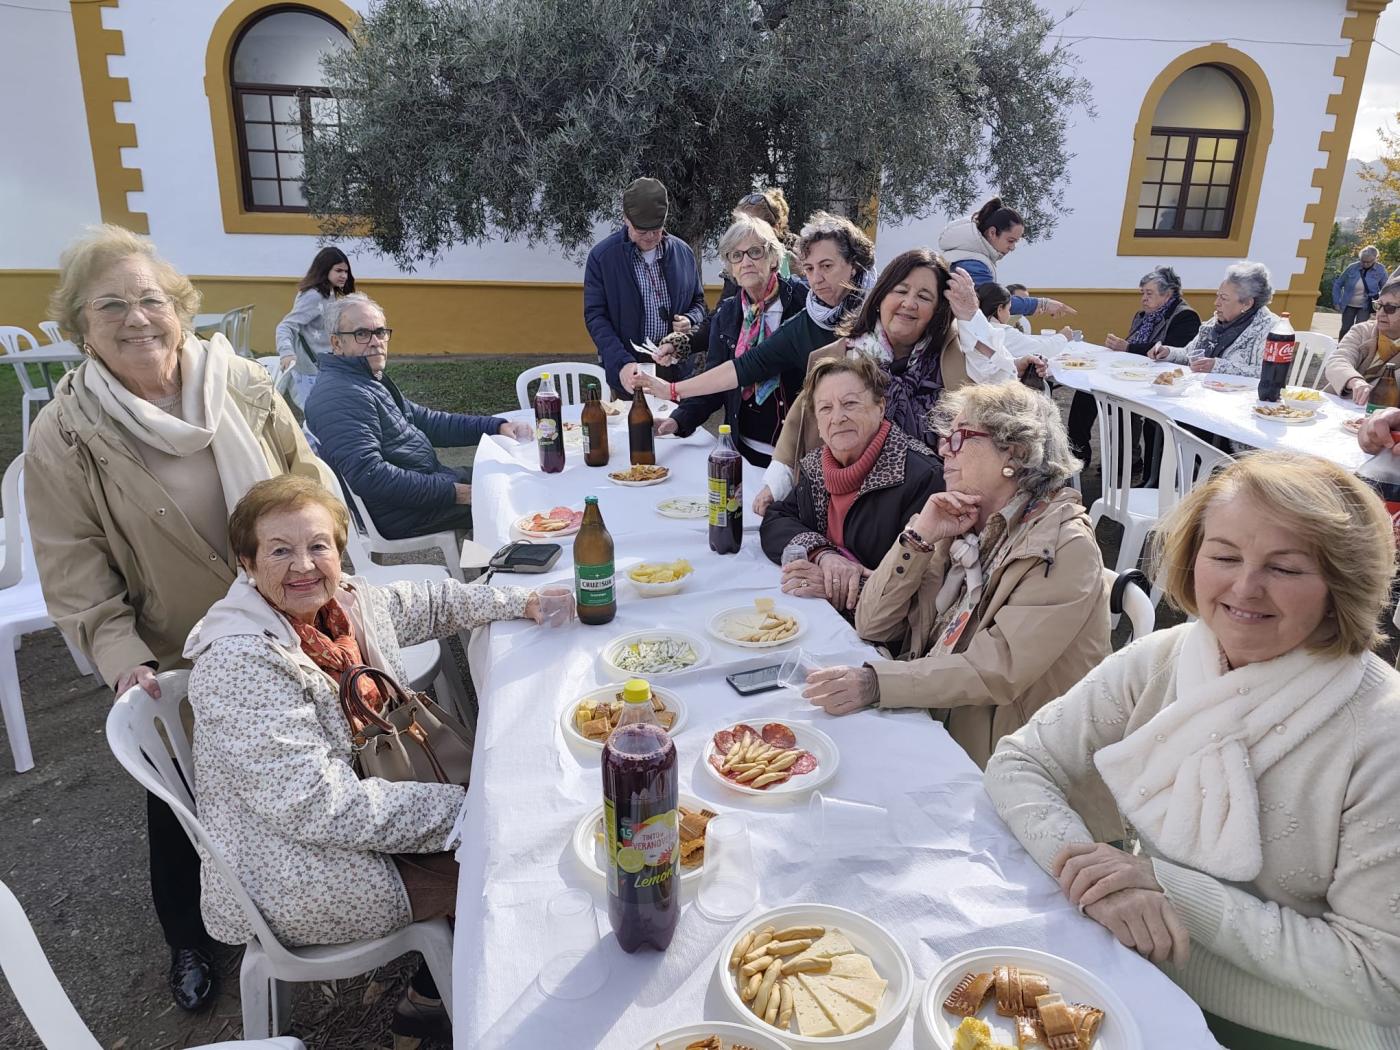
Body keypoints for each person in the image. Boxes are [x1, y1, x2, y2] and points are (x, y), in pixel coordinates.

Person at [985, 453, 1400, 1050]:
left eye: (1284, 568)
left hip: (1286, 1031)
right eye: (1225, 556)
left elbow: (1378, 976)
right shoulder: (1170, 655)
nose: (1244, 587)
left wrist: (1168, 888)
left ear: (1342, 583)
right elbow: (1020, 762)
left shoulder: (1381, 734)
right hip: (1131, 968)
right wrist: (1103, 879)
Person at [25, 224, 335, 1011]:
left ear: (180, 308)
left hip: (287, 612)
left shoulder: (240, 383)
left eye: (150, 299)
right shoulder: (64, 434)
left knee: (313, 755)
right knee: (183, 800)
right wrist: (123, 657)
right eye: (111, 307)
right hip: (174, 646)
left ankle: (316, 895)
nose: (137, 319)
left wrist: (332, 574)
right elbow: (73, 565)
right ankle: (190, 940)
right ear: (80, 328)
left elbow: (303, 476)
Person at [184, 475, 574, 1045]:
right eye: (280, 550)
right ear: (246, 563)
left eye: (319, 546)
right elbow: (315, 807)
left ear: (340, 551)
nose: (304, 566)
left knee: (519, 826)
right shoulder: (241, 662)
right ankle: (500, 1018)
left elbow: (431, 601)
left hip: (360, 815)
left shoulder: (343, 607)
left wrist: (521, 600)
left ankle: (429, 996)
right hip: (288, 866)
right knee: (511, 867)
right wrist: (467, 811)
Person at [795, 382, 1106, 767]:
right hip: (934, 716)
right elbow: (872, 623)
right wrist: (919, 538)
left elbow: (994, 670)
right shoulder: (957, 520)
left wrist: (878, 683)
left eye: (959, 437)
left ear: (1016, 452)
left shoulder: (1062, 545)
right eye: (945, 436)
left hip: (1008, 758)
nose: (943, 448)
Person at [644, 246, 977, 515]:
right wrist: (675, 394)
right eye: (810, 267)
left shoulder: (956, 354)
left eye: (924, 296)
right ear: (881, 297)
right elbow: (776, 392)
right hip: (850, 503)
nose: (908, 303)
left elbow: (993, 388)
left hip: (927, 507)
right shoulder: (841, 350)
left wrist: (973, 319)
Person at [303, 293, 532, 540]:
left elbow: (428, 421)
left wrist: (496, 426)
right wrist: (459, 493)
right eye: (361, 334)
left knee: (512, 475)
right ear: (337, 344)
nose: (375, 341)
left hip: (426, 487)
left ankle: (491, 563)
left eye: (380, 332)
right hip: (400, 512)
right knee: (514, 500)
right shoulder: (340, 394)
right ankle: (509, 570)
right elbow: (371, 476)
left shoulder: (363, 380)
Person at [759, 356, 944, 611]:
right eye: (825, 408)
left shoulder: (922, 476)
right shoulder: (816, 466)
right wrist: (824, 555)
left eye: (850, 404)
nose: (838, 417)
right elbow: (776, 520)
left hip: (877, 636)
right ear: (818, 424)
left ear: (880, 407)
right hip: (818, 612)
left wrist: (841, 587)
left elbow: (922, 589)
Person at [659, 215, 807, 466]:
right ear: (730, 268)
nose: (746, 261)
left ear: (773, 258)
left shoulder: (803, 303)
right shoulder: (727, 315)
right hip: (745, 451)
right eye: (736, 256)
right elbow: (715, 382)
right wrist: (678, 420)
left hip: (798, 454)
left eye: (755, 252)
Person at [582, 177, 708, 397]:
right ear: (626, 220)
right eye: (641, 231)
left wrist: (691, 319)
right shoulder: (603, 257)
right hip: (630, 370)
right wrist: (621, 363)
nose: (650, 237)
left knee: (676, 429)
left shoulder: (683, 253)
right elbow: (596, 317)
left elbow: (699, 303)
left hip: (676, 370)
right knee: (634, 429)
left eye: (656, 230)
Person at [1069, 266, 1201, 466]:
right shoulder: (1144, 316)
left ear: (1168, 294)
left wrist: (1127, 346)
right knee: (1086, 392)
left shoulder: (1185, 317)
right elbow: (1134, 349)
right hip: (1133, 375)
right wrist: (1121, 347)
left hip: (1159, 383)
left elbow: (1173, 350)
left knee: (1121, 404)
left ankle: (1128, 461)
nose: (1144, 299)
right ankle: (1078, 453)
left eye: (1149, 294)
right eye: (1142, 293)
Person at [937, 198, 1075, 319]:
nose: (1013, 247)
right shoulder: (971, 263)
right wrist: (1042, 304)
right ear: (992, 232)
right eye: (1010, 241)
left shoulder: (967, 255)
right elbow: (994, 302)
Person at [1148, 261, 1276, 377]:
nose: (1216, 303)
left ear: (1247, 303)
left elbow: (1267, 374)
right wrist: (1168, 353)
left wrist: (1217, 366)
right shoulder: (1216, 322)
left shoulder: (1272, 330)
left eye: (1224, 298)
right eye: (1217, 296)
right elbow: (1190, 354)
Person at [274, 246, 354, 407]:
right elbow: (285, 326)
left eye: (346, 271)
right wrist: (286, 354)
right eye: (338, 270)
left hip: (323, 367)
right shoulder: (313, 295)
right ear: (325, 269)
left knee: (327, 413)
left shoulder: (329, 292)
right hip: (308, 371)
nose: (344, 275)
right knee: (315, 416)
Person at [957, 282, 1063, 384]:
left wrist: (1017, 364)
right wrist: (1063, 336)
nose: (1010, 314)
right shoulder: (1001, 332)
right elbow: (1041, 349)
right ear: (999, 309)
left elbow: (998, 366)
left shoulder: (971, 331)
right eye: (1009, 309)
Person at [1322, 275, 1400, 404]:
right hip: (1335, 404)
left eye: (1390, 308)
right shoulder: (1362, 330)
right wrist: (1355, 381)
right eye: (1378, 305)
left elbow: (1387, 389)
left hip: (1379, 415)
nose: (1381, 313)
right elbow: (1338, 360)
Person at [1332, 244, 1387, 338]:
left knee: (1359, 329)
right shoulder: (1352, 267)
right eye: (1363, 261)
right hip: (1348, 304)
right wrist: (1336, 301)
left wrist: (1380, 305)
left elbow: (1385, 288)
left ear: (1375, 259)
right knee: (1345, 328)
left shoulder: (1380, 270)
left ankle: (1355, 350)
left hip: (1365, 306)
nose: (1365, 264)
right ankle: (1341, 348)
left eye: (1368, 262)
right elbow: (1338, 284)